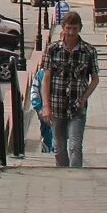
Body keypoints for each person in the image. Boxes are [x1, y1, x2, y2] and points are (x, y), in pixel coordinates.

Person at [40, 10, 100, 168]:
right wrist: (46, 106)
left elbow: (95, 79)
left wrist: (84, 98)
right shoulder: (53, 50)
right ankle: (63, 177)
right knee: (59, 148)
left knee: (75, 146)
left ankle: (76, 179)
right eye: (68, 28)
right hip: (57, 105)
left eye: (74, 28)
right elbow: (46, 78)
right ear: (63, 28)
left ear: (80, 28)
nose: (71, 32)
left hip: (77, 107)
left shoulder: (88, 51)